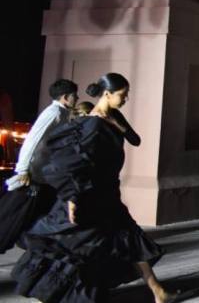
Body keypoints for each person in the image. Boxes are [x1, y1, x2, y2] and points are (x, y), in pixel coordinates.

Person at [12, 73, 174, 302]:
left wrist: (116, 124)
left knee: (128, 237)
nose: (126, 99)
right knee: (75, 245)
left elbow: (135, 140)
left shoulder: (113, 116)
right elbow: (71, 164)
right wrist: (72, 198)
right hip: (90, 194)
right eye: (122, 95)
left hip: (109, 191)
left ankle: (159, 291)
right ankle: (54, 291)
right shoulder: (91, 125)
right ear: (107, 94)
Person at [1, 79, 78, 253]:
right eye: (74, 95)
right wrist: (22, 169)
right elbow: (32, 140)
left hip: (45, 174)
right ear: (65, 97)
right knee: (17, 214)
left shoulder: (62, 112)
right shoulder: (53, 113)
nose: (77, 98)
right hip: (35, 174)